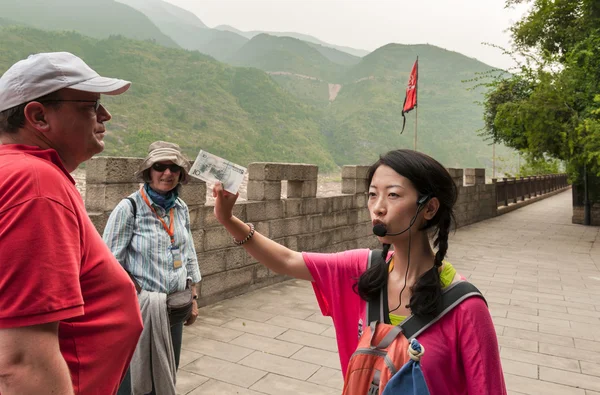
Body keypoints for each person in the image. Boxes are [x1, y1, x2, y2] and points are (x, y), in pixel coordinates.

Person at [213, 149, 507, 394]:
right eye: (372, 195)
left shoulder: (465, 307)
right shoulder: (362, 270)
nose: (377, 208)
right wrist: (227, 219)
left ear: (429, 208)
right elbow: (288, 261)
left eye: (392, 195)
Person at [0, 52, 143, 394]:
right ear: (39, 116)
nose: (105, 115)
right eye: (91, 105)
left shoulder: (16, 172)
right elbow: (21, 361)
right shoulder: (35, 184)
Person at [103, 141, 202, 395]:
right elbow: (109, 264)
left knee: (168, 370)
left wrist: (193, 296)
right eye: (160, 166)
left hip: (174, 308)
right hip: (139, 312)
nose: (167, 173)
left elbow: (188, 253)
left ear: (181, 174)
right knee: (133, 378)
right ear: (149, 172)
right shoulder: (130, 209)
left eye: (174, 168)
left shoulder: (180, 209)